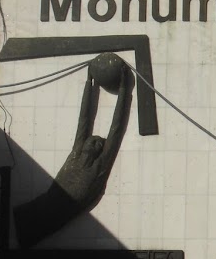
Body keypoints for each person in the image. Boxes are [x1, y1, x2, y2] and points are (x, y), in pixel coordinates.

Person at [14, 53, 134, 248]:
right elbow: (84, 119)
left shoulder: (99, 167)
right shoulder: (77, 153)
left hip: (48, 220)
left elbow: (116, 127)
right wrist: (89, 82)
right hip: (36, 211)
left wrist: (123, 89)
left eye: (97, 144)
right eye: (93, 140)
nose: (93, 142)